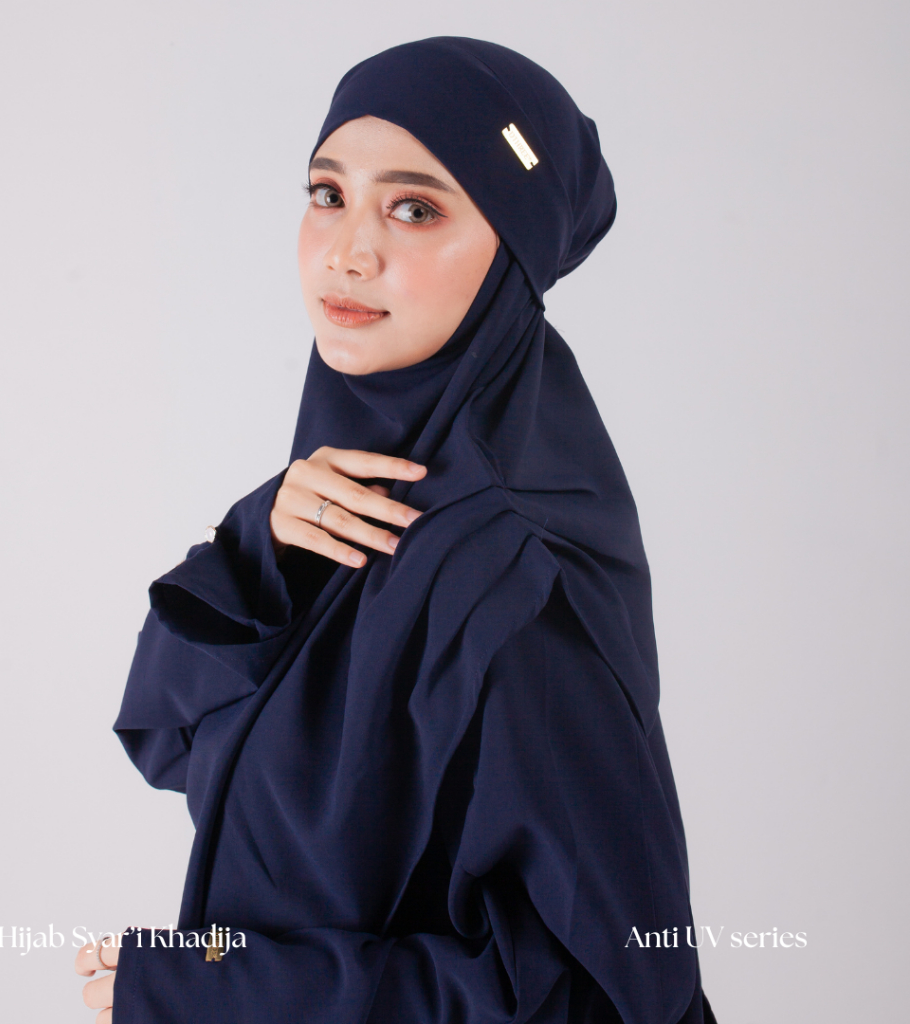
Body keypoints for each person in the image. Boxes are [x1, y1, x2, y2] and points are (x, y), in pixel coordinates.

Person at [75, 36, 717, 1024]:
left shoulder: (514, 582)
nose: (348, 250)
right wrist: (257, 548)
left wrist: (221, 994)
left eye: (415, 208)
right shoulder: (341, 508)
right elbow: (172, 743)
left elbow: (619, 990)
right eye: (328, 193)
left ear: (510, 253)